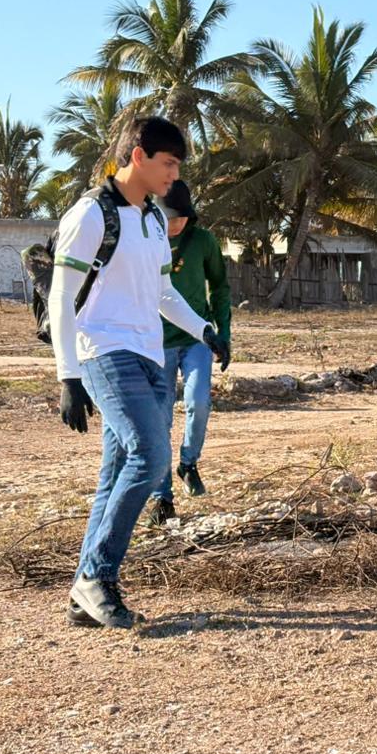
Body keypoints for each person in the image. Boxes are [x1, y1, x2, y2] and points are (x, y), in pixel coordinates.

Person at [50, 116, 229, 629]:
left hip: (151, 357)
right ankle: (98, 577)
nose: (174, 174)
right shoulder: (90, 214)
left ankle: (83, 592)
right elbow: (62, 296)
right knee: (151, 459)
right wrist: (69, 375)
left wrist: (202, 330)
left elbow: (163, 292)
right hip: (104, 351)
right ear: (138, 156)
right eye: (168, 163)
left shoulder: (152, 218)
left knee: (116, 470)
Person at [146, 180, 232, 527]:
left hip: (197, 337)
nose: (174, 225)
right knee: (160, 420)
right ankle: (161, 496)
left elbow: (221, 287)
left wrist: (222, 333)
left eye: (180, 218)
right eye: (168, 218)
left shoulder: (203, 241)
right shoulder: (146, 242)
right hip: (156, 343)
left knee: (199, 402)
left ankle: (189, 462)